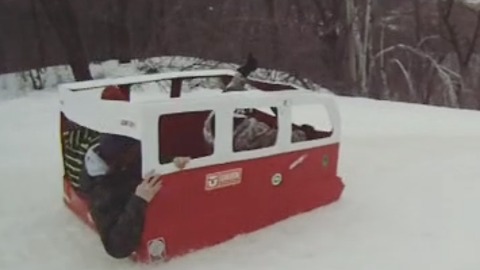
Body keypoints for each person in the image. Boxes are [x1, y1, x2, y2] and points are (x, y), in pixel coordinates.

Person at [78, 134, 189, 259]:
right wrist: (139, 200)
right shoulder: (100, 191)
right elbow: (116, 248)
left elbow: (144, 160)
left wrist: (171, 163)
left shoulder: (125, 151)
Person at [203, 54, 307, 152]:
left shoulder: (213, 120)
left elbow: (231, 92)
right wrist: (303, 133)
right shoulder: (250, 135)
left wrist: (243, 72)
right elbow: (285, 139)